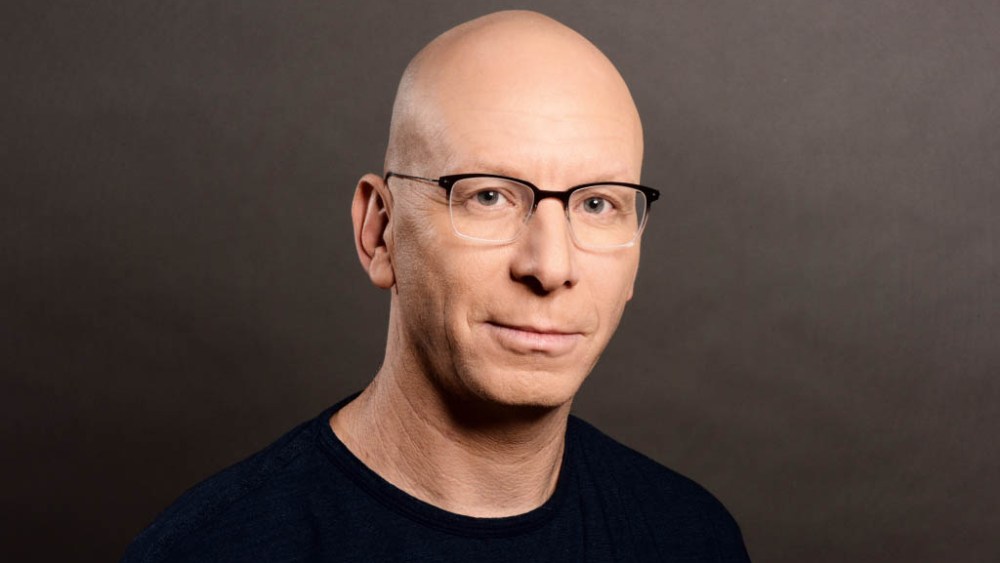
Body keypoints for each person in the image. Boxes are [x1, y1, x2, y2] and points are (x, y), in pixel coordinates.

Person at [123, 10, 750, 562]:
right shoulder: (212, 549)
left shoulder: (692, 537)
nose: (551, 266)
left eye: (597, 205)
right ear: (380, 231)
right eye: (488, 196)